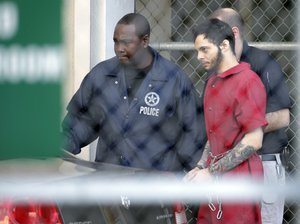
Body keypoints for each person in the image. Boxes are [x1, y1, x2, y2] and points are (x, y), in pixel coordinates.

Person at [61, 13, 206, 172]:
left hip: (156, 185)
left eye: (126, 43)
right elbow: (83, 122)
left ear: (144, 41)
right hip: (109, 180)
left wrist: (180, 174)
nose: (119, 49)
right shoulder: (101, 75)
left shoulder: (173, 79)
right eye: (116, 42)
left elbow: (194, 132)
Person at [209, 8, 291, 224]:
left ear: (233, 32)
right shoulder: (215, 69)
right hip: (226, 164)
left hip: (263, 161)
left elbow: (283, 117)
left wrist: (240, 128)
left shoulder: (264, 62)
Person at [184, 18, 268, 224]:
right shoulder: (212, 81)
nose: (199, 56)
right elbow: (214, 133)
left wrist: (210, 172)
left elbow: (254, 140)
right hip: (214, 175)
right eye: (197, 50)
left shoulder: (248, 81)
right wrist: (201, 166)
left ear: (224, 45)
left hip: (240, 179)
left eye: (204, 49)